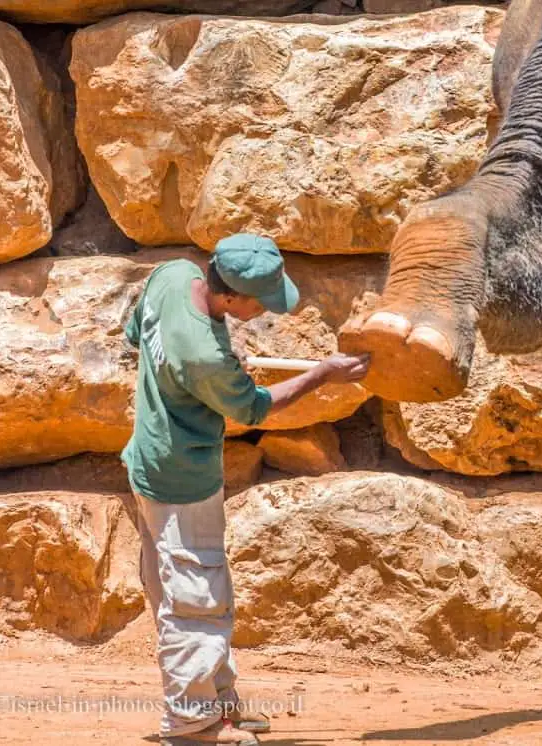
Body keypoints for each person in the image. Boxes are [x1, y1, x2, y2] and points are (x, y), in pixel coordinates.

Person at [121, 233, 369, 746]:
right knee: (196, 597)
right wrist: (322, 373)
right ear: (230, 296)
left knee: (189, 587)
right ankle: (192, 725)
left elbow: (138, 336)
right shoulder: (207, 357)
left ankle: (218, 702)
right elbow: (253, 409)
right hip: (181, 478)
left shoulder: (172, 275)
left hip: (149, 458)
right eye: (260, 301)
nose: (264, 309)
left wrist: (218, 372)